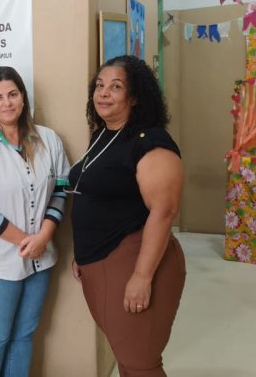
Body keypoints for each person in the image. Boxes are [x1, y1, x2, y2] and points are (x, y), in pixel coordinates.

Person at [69, 55, 186, 377]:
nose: (104, 93)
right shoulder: (102, 135)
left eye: (116, 87)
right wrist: (82, 252)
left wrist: (142, 277)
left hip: (133, 260)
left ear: (134, 97)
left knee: (140, 364)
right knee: (127, 357)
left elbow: (164, 212)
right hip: (98, 261)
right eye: (99, 86)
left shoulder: (150, 142)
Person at [0, 67, 70, 377]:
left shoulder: (48, 139)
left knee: (23, 335)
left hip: (40, 258)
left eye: (13, 94)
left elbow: (60, 189)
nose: (7, 103)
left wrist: (43, 237)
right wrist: (27, 242)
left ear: (23, 97)